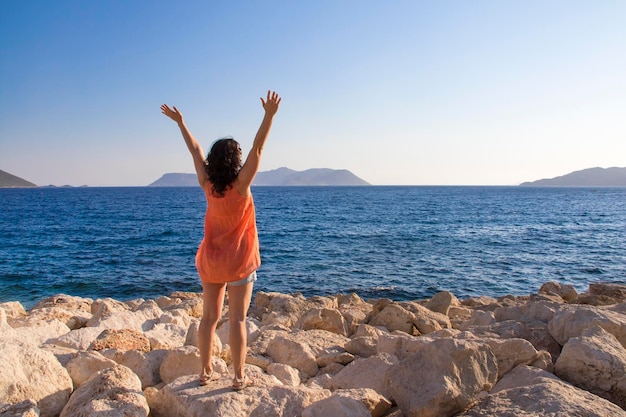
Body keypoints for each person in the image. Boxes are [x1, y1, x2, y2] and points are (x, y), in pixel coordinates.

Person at [160, 90, 281, 390]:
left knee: (209, 319)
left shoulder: (207, 184)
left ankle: (205, 372)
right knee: (237, 320)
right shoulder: (241, 185)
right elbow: (259, 148)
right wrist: (269, 115)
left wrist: (180, 122)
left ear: (214, 161)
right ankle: (239, 377)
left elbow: (195, 149)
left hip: (212, 262)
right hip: (240, 262)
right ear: (235, 159)